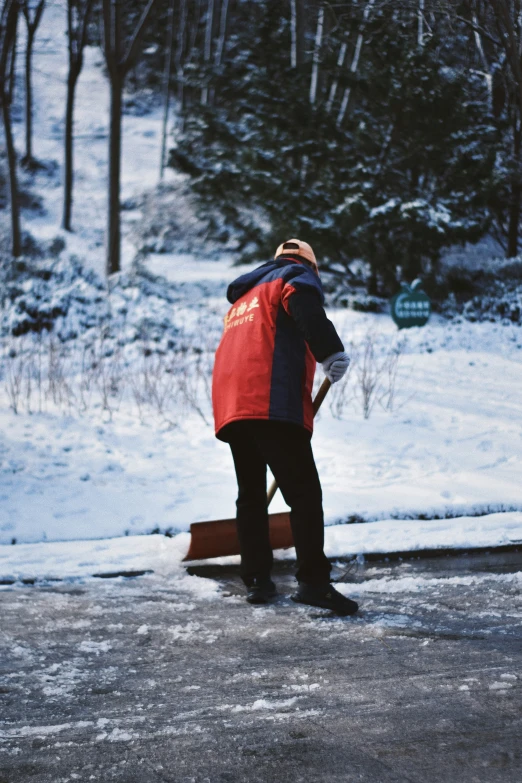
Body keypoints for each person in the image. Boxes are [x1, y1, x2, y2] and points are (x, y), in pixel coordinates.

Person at [212, 239, 359, 616]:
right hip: (271, 399)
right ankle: (313, 582)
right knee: (304, 494)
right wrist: (330, 352)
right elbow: (304, 306)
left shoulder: (245, 296)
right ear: (313, 267)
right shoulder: (294, 277)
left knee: (250, 493)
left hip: (232, 403)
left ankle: (257, 580)